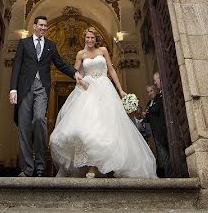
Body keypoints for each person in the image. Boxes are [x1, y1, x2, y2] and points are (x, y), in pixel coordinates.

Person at [50, 26, 156, 178]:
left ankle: (100, 166)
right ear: (84, 38)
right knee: (88, 126)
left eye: (92, 38)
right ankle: (89, 165)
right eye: (87, 37)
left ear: (96, 39)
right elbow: (76, 74)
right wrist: (80, 84)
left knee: (106, 126)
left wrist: (120, 90)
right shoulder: (81, 54)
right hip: (87, 90)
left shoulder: (103, 51)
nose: (90, 40)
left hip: (104, 88)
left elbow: (111, 71)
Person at [9, 15, 84, 177]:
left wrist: (75, 73)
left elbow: (61, 64)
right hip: (24, 89)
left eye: (45, 26)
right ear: (34, 26)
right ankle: (27, 169)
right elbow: (16, 66)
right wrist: (13, 89)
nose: (43, 28)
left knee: (39, 119)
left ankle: (40, 164)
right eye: (41, 25)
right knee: (24, 128)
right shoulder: (24, 43)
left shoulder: (51, 45)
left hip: (41, 88)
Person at [143, 71, 171, 177]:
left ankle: (170, 175)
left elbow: (157, 109)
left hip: (162, 130)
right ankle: (167, 173)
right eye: (148, 92)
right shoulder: (148, 103)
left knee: (165, 155)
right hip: (155, 132)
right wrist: (145, 115)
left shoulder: (159, 98)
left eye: (151, 91)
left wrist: (148, 111)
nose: (150, 93)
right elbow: (147, 118)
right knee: (162, 155)